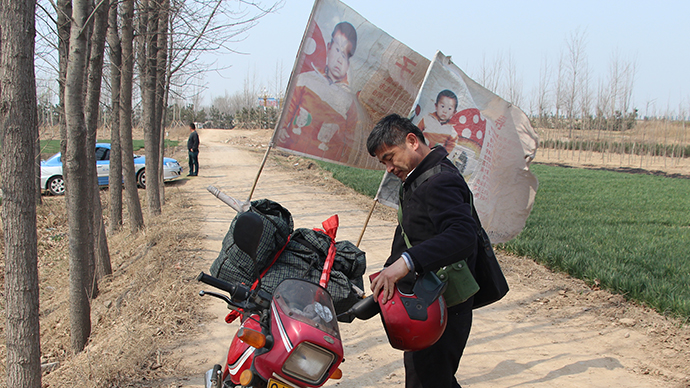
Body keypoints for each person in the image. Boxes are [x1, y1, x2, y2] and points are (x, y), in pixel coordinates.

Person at [366, 114, 479, 388]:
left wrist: (406, 263)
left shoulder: (440, 180)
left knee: (429, 380)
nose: (389, 168)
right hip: (425, 299)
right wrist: (388, 276)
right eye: (384, 163)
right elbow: (410, 235)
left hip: (444, 304)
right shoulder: (418, 178)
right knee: (429, 379)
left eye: (390, 157)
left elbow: (463, 234)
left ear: (412, 141)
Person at [275, 21, 359, 161]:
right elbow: (289, 108)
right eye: (337, 50)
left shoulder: (349, 99)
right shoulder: (305, 80)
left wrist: (345, 157)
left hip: (327, 160)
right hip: (294, 155)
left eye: (344, 55)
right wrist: (282, 128)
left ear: (349, 63)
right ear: (328, 48)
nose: (339, 59)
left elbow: (350, 135)